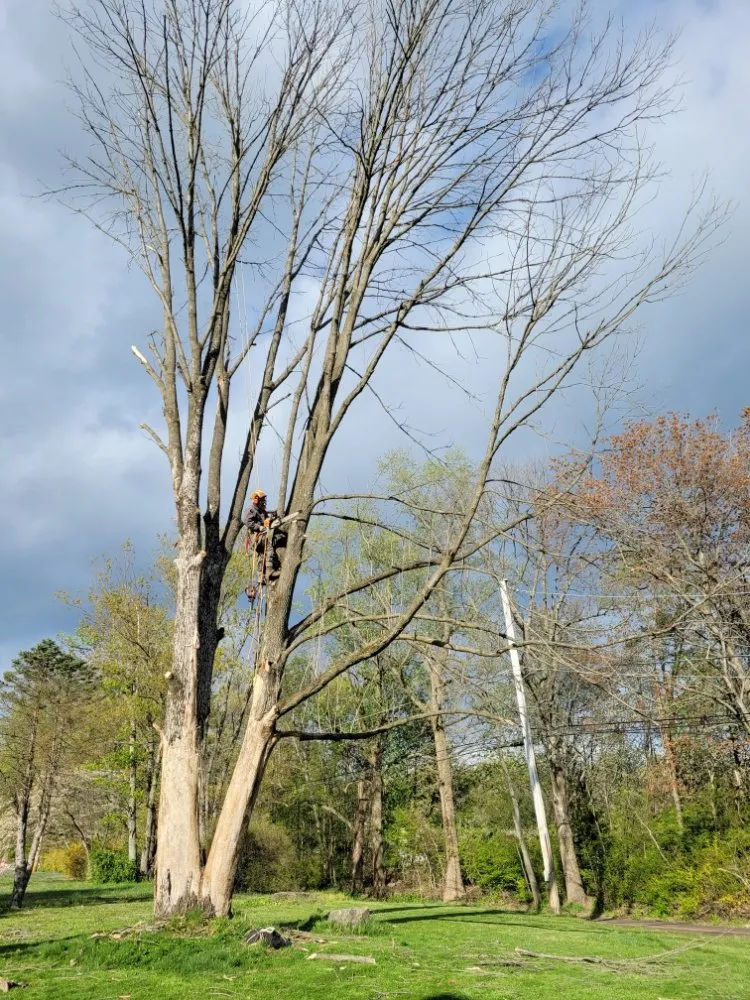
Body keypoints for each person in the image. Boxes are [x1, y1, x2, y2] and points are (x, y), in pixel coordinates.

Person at [242, 489, 286, 595]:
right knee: (269, 549)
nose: (263, 502)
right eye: (262, 499)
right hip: (256, 537)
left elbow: (266, 519)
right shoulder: (251, 510)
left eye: (263, 499)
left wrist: (272, 518)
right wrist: (259, 527)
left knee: (263, 556)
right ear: (256, 499)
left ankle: (261, 578)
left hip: (260, 536)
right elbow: (246, 520)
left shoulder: (261, 511)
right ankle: (269, 571)